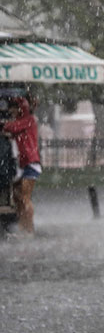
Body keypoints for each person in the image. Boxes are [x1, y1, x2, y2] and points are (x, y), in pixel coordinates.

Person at [3, 97, 40, 236]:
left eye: (12, 108)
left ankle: (29, 229)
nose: (10, 112)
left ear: (19, 109)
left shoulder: (28, 120)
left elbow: (11, 127)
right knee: (18, 197)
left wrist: (5, 125)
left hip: (31, 163)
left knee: (24, 197)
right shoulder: (23, 121)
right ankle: (22, 226)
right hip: (24, 164)